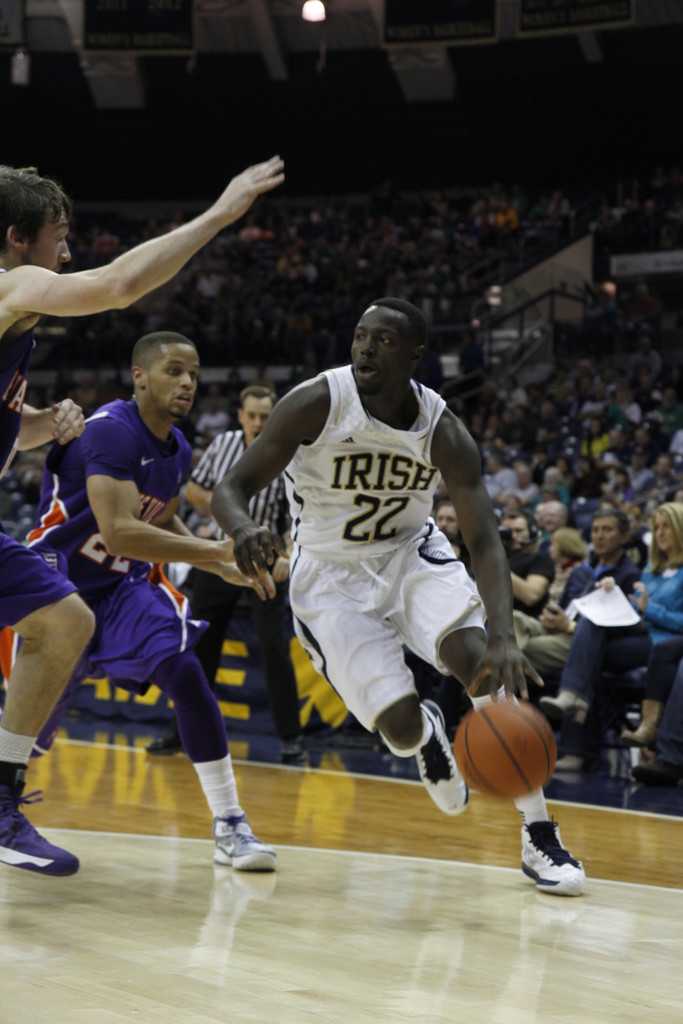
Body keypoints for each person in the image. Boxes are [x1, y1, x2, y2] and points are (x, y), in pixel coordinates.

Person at [210, 297, 586, 897]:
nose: (364, 348)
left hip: (412, 556)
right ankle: (426, 735)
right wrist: (243, 528)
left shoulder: (444, 430)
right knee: (401, 727)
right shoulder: (317, 401)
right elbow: (230, 488)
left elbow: (485, 539)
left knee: (481, 664)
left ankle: (539, 834)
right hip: (331, 576)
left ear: (414, 355)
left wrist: (504, 634)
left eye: (382, 341)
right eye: (359, 336)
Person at [0, 155, 284, 876]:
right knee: (65, 624)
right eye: (57, 240)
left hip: (111, 583)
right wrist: (219, 214)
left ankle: (3, 802)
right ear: (14, 239)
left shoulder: (169, 439)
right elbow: (119, 285)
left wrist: (39, 421)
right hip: (73, 557)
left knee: (69, 623)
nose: (65, 256)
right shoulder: (12, 285)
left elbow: (16, 430)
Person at [27, 332, 277, 871]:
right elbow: (118, 531)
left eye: (193, 373)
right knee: (29, 737)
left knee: (185, 674)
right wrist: (213, 547)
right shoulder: (110, 432)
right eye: (173, 371)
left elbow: (159, 520)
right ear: (139, 375)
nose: (187, 382)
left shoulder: (180, 448)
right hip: (53, 585)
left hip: (119, 590)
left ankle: (230, 823)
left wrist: (221, 565)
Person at [147, 384, 305, 764]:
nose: (257, 422)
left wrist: (287, 553)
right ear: (240, 416)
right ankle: (180, 732)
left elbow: (301, 516)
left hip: (267, 559)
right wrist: (231, 504)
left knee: (273, 645)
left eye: (265, 417)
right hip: (219, 557)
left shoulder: (290, 451)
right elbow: (196, 492)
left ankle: (292, 737)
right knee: (199, 645)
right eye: (251, 415)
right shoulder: (223, 445)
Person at [514, 510, 640, 687]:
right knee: (513, 618)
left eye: (607, 530)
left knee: (521, 651)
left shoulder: (629, 575)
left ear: (624, 537)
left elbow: (622, 627)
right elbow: (563, 608)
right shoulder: (580, 571)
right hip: (556, 629)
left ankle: (488, 703)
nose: (599, 536)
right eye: (595, 530)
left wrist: (568, 625)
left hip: (580, 638)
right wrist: (552, 616)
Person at [618, 504, 683, 749]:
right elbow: (638, 609)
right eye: (656, 527)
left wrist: (650, 609)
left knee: (659, 652)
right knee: (594, 640)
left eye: (667, 526)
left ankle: (649, 730)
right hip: (643, 637)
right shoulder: (650, 569)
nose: (660, 533)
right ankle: (576, 712)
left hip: (667, 644)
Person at [500, 511, 555, 620]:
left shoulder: (539, 558)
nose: (513, 536)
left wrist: (497, 566)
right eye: (508, 532)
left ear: (531, 532)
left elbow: (531, 596)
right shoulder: (491, 559)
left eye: (519, 530)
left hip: (523, 620)